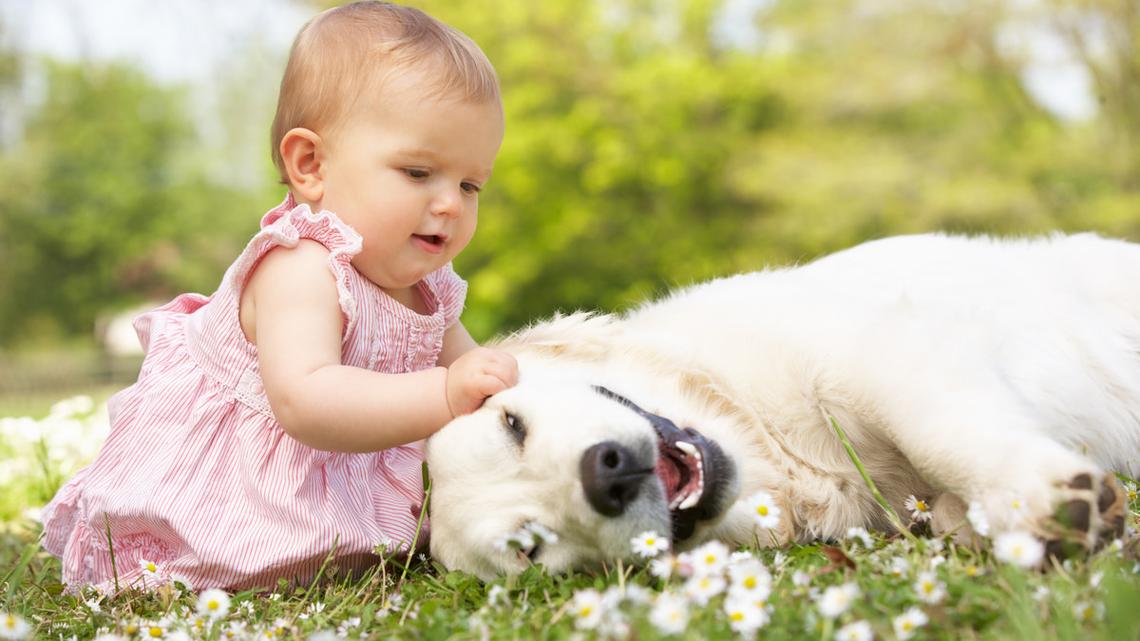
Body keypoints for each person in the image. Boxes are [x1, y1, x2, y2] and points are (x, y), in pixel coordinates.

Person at [40, 1, 518, 592]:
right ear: (310, 164)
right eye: (419, 173)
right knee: (198, 566)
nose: (450, 203)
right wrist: (447, 392)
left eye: (470, 184)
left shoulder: (431, 289)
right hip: (236, 492)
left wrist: (494, 383)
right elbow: (308, 400)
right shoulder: (299, 266)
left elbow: (473, 372)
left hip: (336, 485)